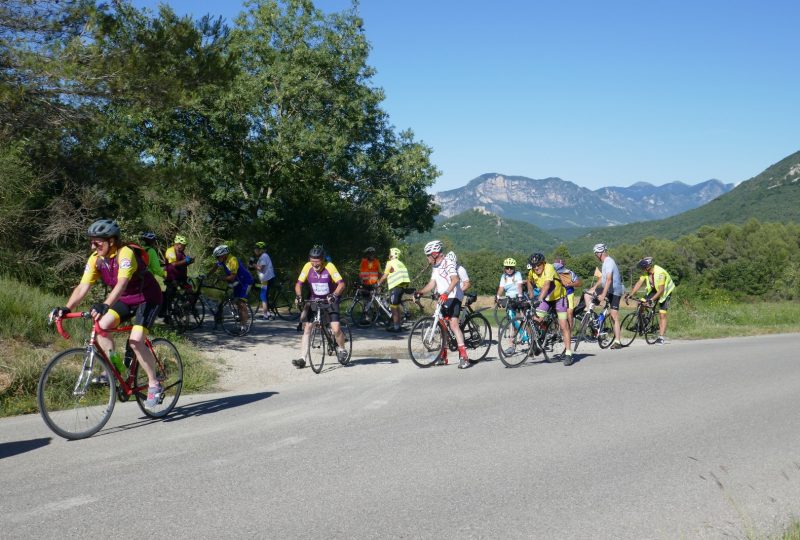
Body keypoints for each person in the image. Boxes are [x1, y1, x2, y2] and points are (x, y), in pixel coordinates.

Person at [49, 219, 164, 409]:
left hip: (147, 298)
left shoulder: (125, 253)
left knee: (135, 341)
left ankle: (154, 384)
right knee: (102, 326)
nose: (93, 245)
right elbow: (83, 286)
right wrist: (67, 307)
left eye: (97, 242)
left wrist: (104, 304)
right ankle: (118, 370)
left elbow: (121, 283)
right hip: (125, 300)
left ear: (111, 241)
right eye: (91, 242)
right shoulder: (96, 259)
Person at [414, 240, 470, 369]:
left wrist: (446, 292)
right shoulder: (435, 266)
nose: (427, 258)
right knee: (442, 327)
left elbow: (455, 279)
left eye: (428, 255)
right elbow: (432, 283)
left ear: (434, 254)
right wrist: (420, 292)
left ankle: (464, 357)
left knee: (454, 324)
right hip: (442, 298)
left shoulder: (448, 262)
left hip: (453, 296)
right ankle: (443, 356)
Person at [293, 245, 347, 368]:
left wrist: (334, 295)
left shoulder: (330, 266)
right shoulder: (307, 266)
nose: (314, 265)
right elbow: (298, 284)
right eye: (312, 262)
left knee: (336, 328)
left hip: (330, 299)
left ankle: (342, 349)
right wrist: (299, 296)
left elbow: (341, 284)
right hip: (315, 299)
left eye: (317, 262)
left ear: (322, 260)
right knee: (307, 328)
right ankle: (302, 358)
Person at [525, 252, 574, 366]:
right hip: (547, 299)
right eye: (534, 265)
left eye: (538, 264)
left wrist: (538, 299)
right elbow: (528, 281)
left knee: (563, 326)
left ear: (543, 263)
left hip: (559, 298)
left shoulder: (549, 267)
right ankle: (536, 344)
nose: (536, 267)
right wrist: (531, 295)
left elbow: (547, 285)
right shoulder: (532, 271)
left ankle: (568, 353)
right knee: (531, 320)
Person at [582, 243, 624, 349]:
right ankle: (591, 317)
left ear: (599, 253)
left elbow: (609, 279)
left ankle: (618, 341)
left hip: (615, 291)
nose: (595, 256)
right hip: (607, 288)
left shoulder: (609, 262)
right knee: (587, 295)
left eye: (596, 254)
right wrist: (593, 288)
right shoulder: (604, 262)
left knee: (614, 315)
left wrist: (603, 295)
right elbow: (603, 279)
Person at [627, 257, 675, 345]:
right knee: (640, 303)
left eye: (643, 268)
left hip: (665, 292)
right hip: (654, 290)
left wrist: (651, 300)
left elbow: (661, 290)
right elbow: (639, 283)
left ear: (647, 267)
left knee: (662, 314)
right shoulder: (646, 273)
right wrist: (631, 294)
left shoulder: (660, 273)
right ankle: (643, 323)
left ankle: (661, 338)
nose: (642, 270)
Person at [212, 245, 253, 329]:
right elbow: (215, 267)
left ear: (223, 255)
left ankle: (244, 326)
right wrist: (207, 275)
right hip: (237, 283)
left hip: (245, 282)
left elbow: (232, 277)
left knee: (241, 303)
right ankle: (243, 318)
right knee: (237, 302)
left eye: (217, 257)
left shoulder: (232, 260)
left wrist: (220, 278)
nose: (217, 258)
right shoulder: (223, 260)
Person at [376, 247, 410, 333]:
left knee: (393, 307)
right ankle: (398, 325)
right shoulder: (400, 263)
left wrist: (378, 283)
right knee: (396, 306)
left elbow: (385, 275)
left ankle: (396, 327)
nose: (389, 256)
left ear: (392, 255)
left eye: (390, 254)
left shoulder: (390, 263)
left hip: (395, 286)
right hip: (401, 286)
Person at [163, 234, 193, 320]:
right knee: (170, 296)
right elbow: (174, 264)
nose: (185, 247)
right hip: (172, 278)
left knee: (191, 292)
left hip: (182, 277)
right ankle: (166, 314)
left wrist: (189, 261)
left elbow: (182, 263)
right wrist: (185, 260)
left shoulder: (181, 252)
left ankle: (184, 309)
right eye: (184, 245)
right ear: (178, 244)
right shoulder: (170, 251)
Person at [552, 258, 583, 331]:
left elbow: (579, 283)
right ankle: (557, 332)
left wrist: (570, 284)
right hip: (556, 295)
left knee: (569, 313)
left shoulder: (569, 273)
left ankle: (570, 331)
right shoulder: (551, 273)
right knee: (554, 313)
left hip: (568, 294)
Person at [254, 241, 276, 321]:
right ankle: (268, 313)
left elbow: (261, 268)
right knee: (264, 295)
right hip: (265, 279)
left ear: (261, 250)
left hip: (266, 279)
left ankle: (265, 315)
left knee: (263, 296)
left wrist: (253, 265)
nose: (255, 250)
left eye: (256, 249)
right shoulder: (263, 256)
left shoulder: (264, 256)